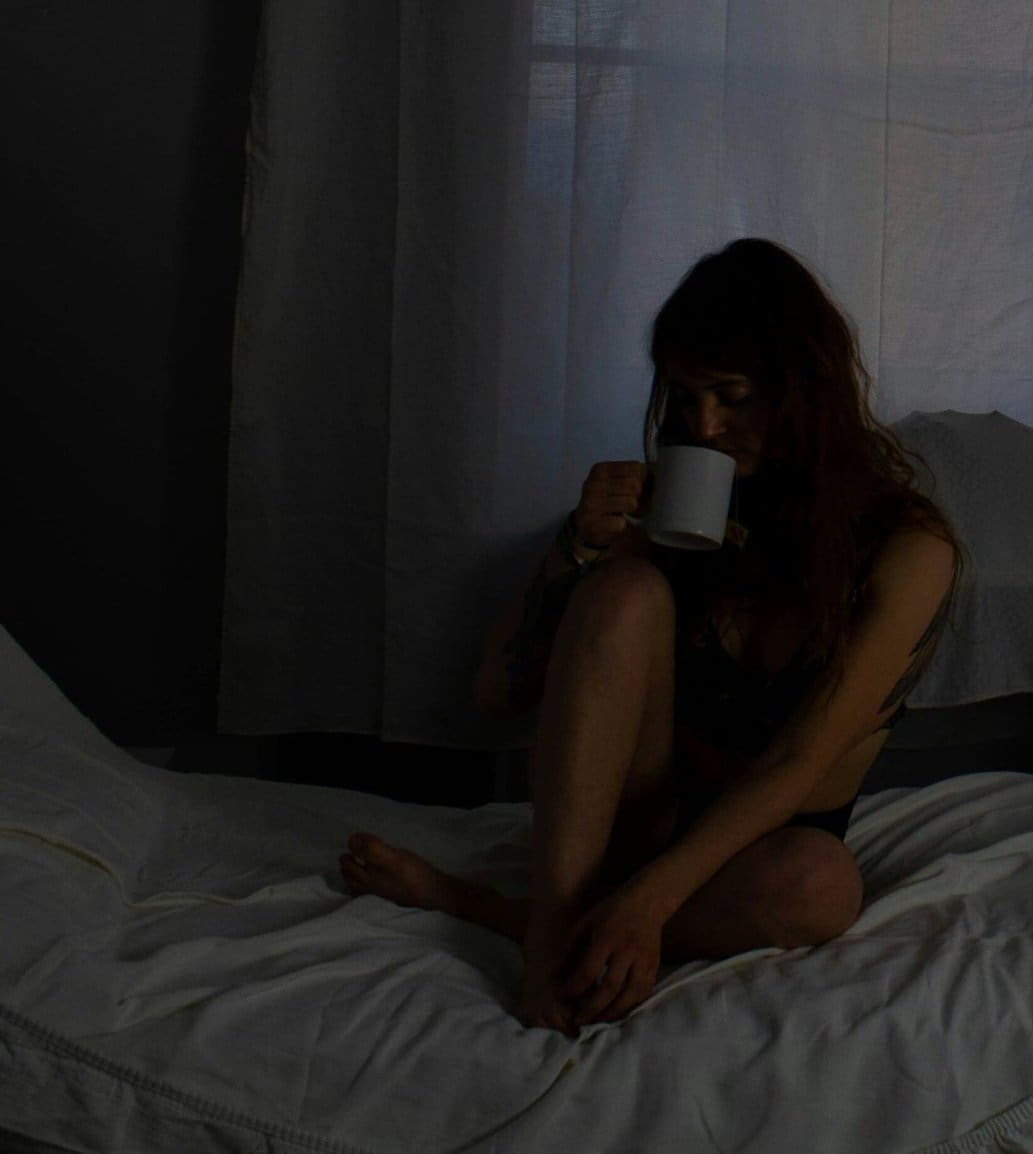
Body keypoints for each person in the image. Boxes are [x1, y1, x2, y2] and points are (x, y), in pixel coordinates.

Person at [338, 238, 966, 1035]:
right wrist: (578, 546)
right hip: (643, 820)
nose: (703, 426)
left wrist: (650, 903)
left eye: (732, 397)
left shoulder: (907, 550)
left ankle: (491, 910)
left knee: (823, 886)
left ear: (802, 390)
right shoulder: (685, 509)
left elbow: (798, 761)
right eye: (686, 397)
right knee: (625, 592)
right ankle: (550, 940)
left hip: (762, 850)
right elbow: (496, 692)